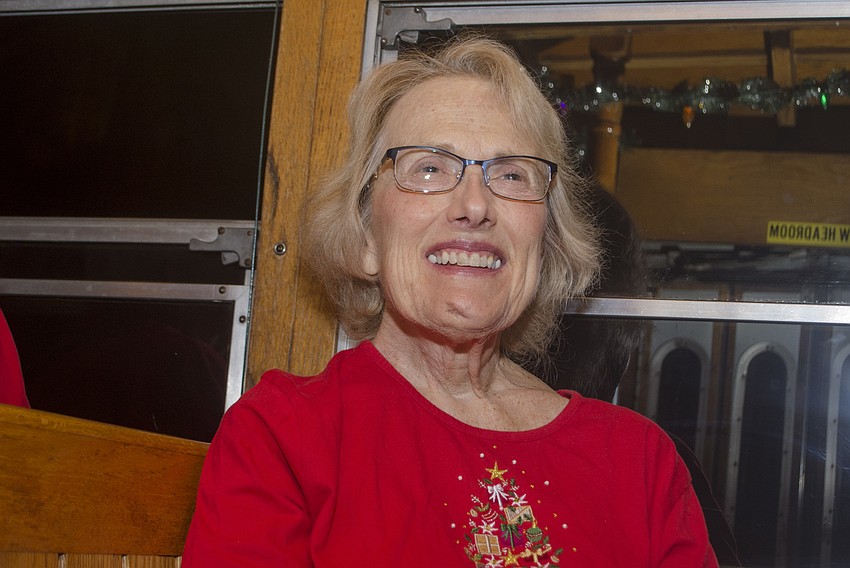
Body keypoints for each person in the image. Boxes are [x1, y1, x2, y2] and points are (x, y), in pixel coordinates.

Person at [183, 35, 718, 567]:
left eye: (511, 174)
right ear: (366, 235)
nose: (474, 205)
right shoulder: (284, 438)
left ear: (546, 240)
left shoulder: (640, 463)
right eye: (430, 168)